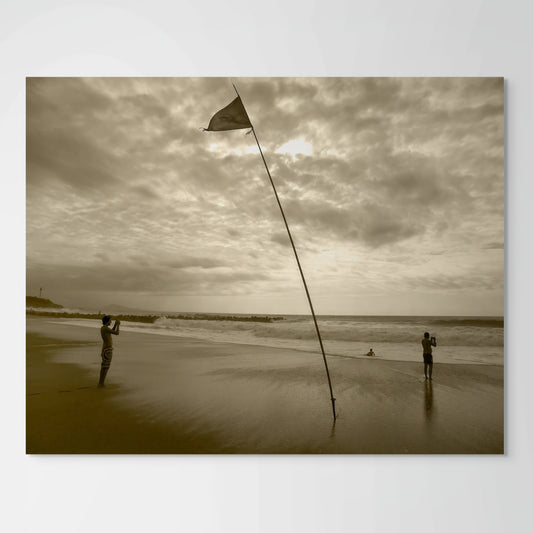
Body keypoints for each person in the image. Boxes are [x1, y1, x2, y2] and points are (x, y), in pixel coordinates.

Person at [98, 315, 120, 387]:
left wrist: (115, 325)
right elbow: (117, 333)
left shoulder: (104, 328)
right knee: (105, 367)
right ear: (107, 321)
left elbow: (112, 331)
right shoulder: (105, 328)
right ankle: (101, 383)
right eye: (110, 320)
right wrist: (118, 325)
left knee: (104, 367)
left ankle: (101, 382)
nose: (111, 322)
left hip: (105, 349)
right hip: (107, 349)